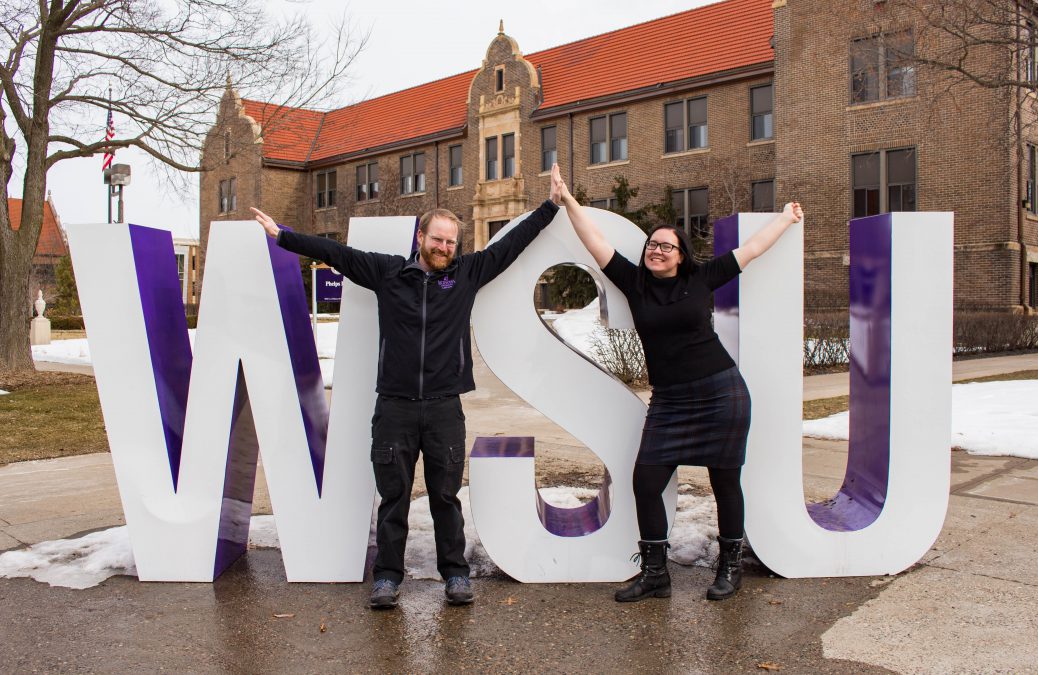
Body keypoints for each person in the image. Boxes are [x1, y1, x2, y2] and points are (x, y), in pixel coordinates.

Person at [251, 169, 563, 609]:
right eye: (438, 239)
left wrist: (550, 205)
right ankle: (387, 579)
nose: (444, 248)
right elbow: (336, 252)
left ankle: (455, 574)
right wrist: (284, 237)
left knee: (445, 498)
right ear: (421, 236)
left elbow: (509, 246)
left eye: (451, 242)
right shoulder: (388, 272)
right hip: (394, 408)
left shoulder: (467, 274)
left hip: (443, 409)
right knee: (394, 499)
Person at [551, 165, 802, 602]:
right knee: (646, 481)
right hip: (669, 401)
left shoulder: (702, 278)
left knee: (725, 483)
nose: (657, 251)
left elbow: (753, 249)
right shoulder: (635, 283)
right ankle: (655, 575)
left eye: (666, 246)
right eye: (652, 245)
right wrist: (569, 200)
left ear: (682, 254)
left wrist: (784, 217)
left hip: (720, 393)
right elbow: (596, 242)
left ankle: (729, 568)